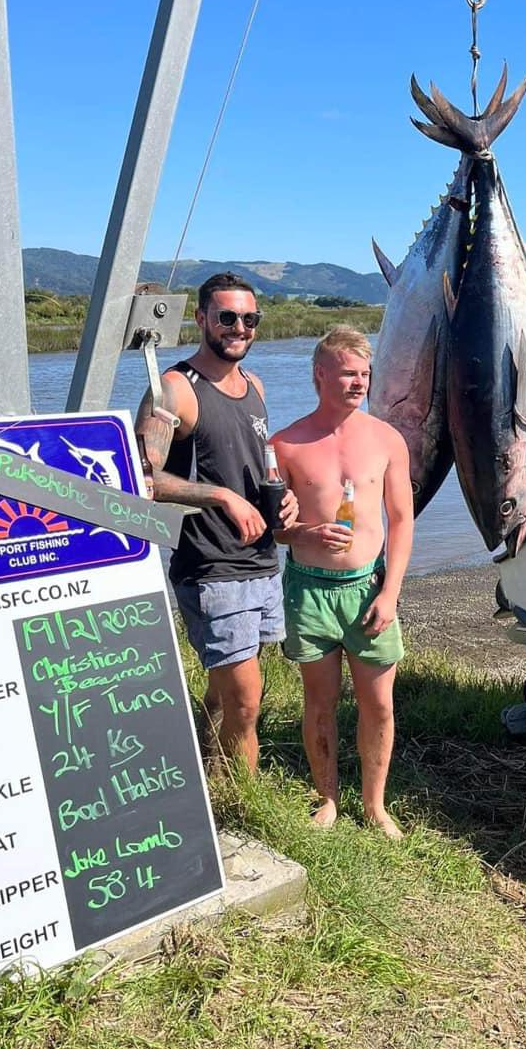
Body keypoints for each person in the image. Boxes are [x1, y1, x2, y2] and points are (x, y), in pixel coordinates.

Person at [135, 272, 298, 770]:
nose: (239, 328)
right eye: (227, 317)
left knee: (226, 687)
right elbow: (142, 477)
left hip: (260, 562)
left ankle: (207, 759)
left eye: (250, 319)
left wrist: (285, 498)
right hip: (210, 566)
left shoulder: (255, 385)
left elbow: (253, 465)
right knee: (246, 702)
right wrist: (222, 497)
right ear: (201, 318)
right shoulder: (175, 390)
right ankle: (243, 801)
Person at [271, 326, 414, 838]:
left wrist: (390, 593)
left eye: (365, 374)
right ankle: (327, 798)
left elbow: (402, 520)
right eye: (348, 373)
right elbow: (273, 529)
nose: (359, 383)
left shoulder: (387, 439)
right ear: (320, 375)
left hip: (368, 587)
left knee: (379, 704)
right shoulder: (285, 443)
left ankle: (375, 805)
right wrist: (304, 532)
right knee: (320, 701)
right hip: (309, 589)